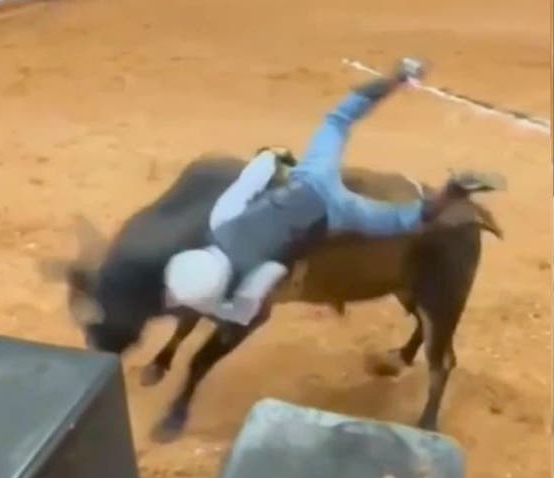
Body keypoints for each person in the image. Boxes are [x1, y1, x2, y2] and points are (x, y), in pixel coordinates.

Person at [165, 58, 469, 325]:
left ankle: (453, 191)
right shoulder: (221, 220)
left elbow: (247, 310)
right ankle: (398, 76)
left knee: (402, 219)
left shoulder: (253, 282)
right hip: (310, 177)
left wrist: (220, 307)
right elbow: (256, 172)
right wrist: (273, 156)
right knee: (338, 119)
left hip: (336, 212)